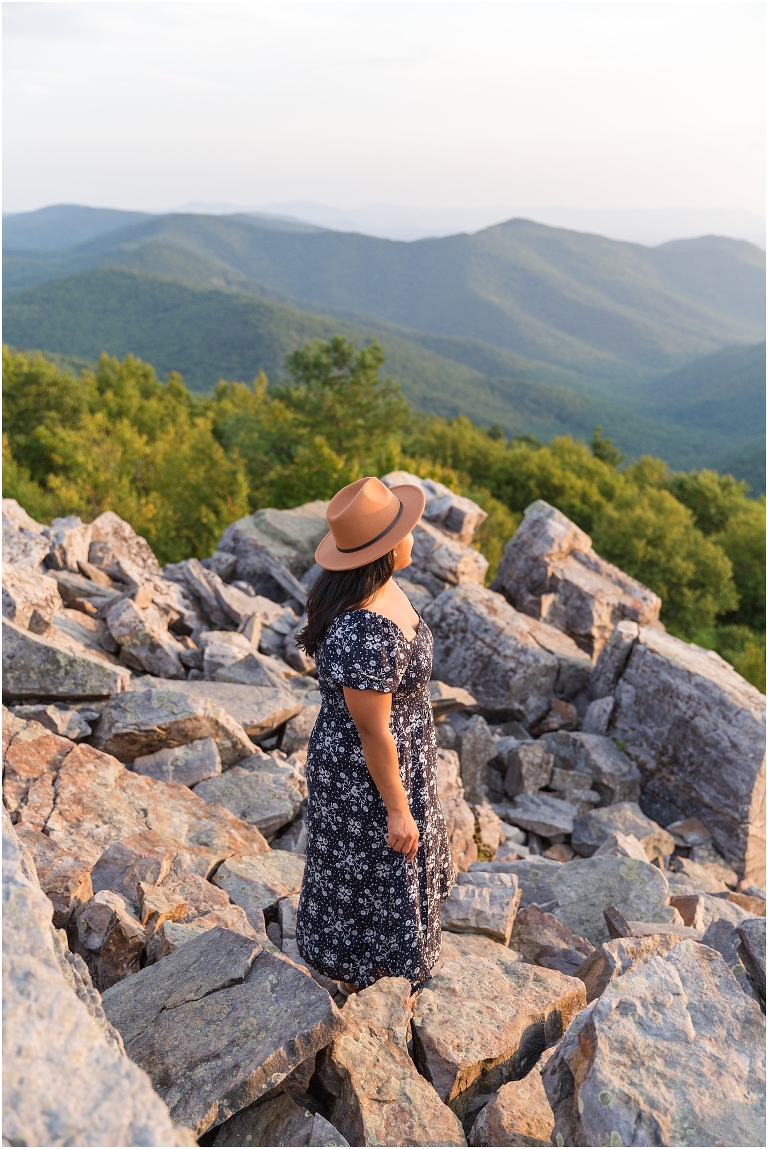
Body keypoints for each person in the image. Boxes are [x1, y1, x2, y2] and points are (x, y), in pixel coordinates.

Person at [294, 475, 456, 995]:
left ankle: (392, 969)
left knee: (388, 869)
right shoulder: (365, 630)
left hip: (401, 756)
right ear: (383, 550)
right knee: (377, 866)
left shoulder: (380, 588)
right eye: (404, 530)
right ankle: (367, 984)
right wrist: (397, 807)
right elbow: (371, 731)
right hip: (367, 772)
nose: (413, 535)